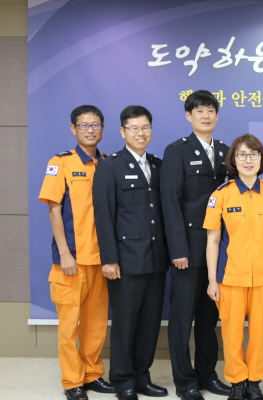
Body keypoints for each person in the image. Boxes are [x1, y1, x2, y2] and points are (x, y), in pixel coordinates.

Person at [204, 134, 263, 400]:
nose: (248, 160)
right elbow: (213, 240)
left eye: (253, 154)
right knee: (231, 334)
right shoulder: (221, 195)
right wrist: (212, 280)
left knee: (260, 333)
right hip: (230, 277)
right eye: (241, 154)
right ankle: (236, 381)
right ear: (233, 160)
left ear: (262, 159)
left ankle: (254, 382)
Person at [38, 105, 115, 400]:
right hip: (71, 260)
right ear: (73, 129)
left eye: (95, 125)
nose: (90, 130)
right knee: (69, 326)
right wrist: (64, 253)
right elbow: (54, 210)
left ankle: (92, 374)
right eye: (84, 125)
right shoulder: (61, 163)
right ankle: (72, 382)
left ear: (103, 128)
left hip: (100, 260)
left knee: (95, 324)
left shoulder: (107, 164)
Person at [93, 106, 169, 400]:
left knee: (150, 323)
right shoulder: (110, 167)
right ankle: (123, 380)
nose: (141, 133)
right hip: (125, 260)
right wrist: (109, 259)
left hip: (156, 258)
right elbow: (103, 215)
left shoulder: (158, 165)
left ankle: (141, 376)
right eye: (134, 128)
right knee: (125, 324)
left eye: (145, 127)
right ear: (123, 131)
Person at [161, 90, 232, 400]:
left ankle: (207, 375)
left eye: (210, 110)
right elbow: (170, 203)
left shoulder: (228, 151)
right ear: (188, 116)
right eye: (199, 110)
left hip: (218, 252)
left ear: (217, 115)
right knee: (181, 320)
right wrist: (178, 249)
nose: (206, 115)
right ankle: (185, 381)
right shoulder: (177, 151)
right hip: (188, 251)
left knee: (208, 318)